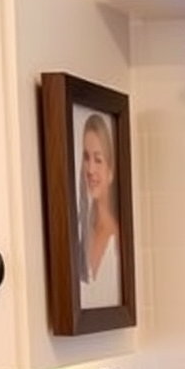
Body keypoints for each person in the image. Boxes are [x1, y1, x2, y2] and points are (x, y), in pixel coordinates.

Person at [77, 110, 121, 309]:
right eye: (86, 158)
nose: (90, 169)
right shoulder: (80, 231)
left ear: (111, 171)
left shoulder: (119, 237)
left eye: (98, 159)